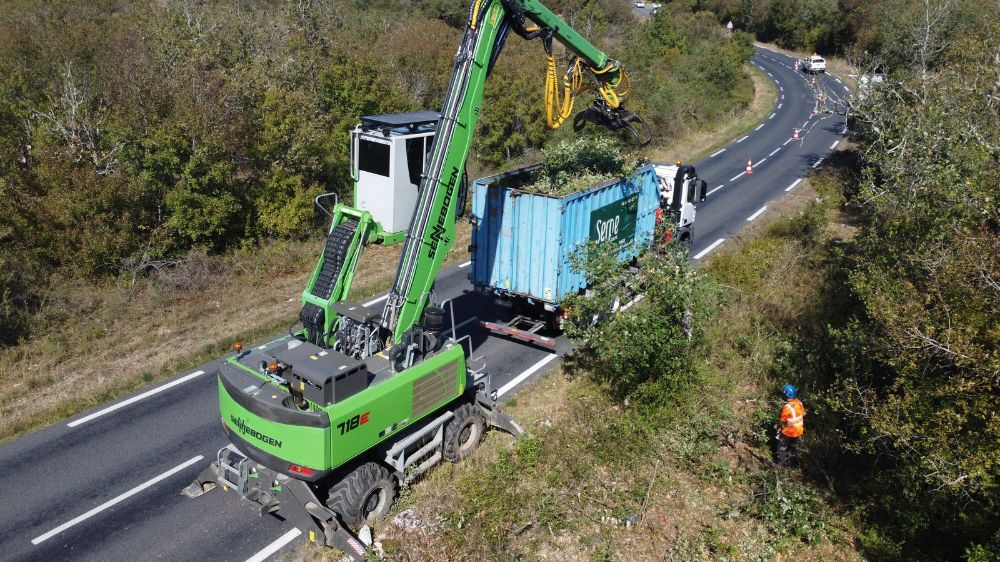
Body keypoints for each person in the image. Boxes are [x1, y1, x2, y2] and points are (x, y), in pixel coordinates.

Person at [777, 384, 805, 466]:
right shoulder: (799, 402)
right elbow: (803, 413)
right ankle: (792, 465)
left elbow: (782, 421)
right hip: (798, 431)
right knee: (793, 448)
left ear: (786, 395)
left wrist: (779, 430)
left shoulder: (787, 407)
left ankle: (780, 465)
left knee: (782, 447)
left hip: (789, 432)